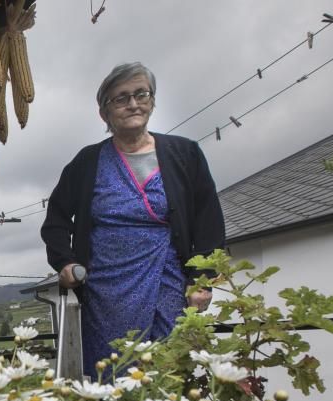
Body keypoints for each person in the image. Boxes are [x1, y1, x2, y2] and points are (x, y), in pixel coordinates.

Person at [40, 62, 226, 378]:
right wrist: (65, 262)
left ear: (152, 101)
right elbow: (56, 217)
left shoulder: (185, 153)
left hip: (168, 279)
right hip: (105, 288)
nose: (133, 104)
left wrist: (203, 279)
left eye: (141, 94)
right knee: (111, 368)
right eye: (121, 98)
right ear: (104, 113)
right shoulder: (88, 161)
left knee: (169, 367)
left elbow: (208, 219)